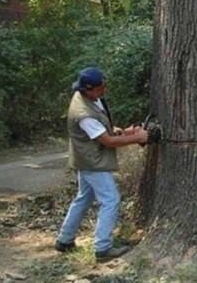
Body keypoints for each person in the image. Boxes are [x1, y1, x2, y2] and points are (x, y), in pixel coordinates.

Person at [55, 66, 148, 261]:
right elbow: (108, 141)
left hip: (86, 159)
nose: (104, 90)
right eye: (100, 87)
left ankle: (64, 240)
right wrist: (138, 136)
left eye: (104, 85)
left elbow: (105, 130)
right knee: (111, 200)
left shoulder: (90, 98)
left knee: (83, 198)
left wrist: (124, 131)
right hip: (92, 162)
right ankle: (103, 248)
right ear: (88, 89)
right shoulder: (84, 114)